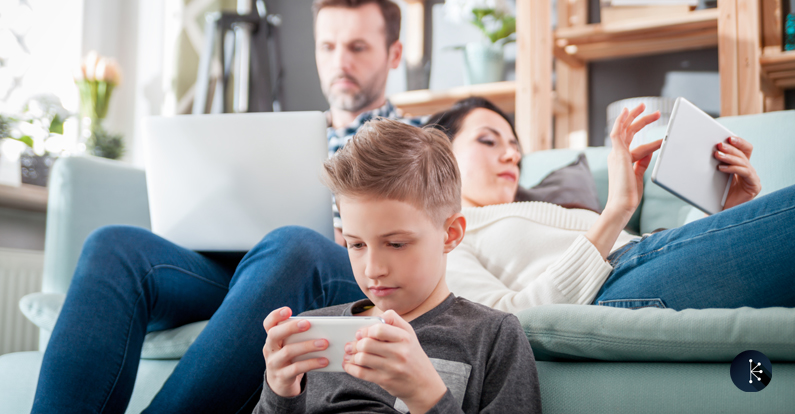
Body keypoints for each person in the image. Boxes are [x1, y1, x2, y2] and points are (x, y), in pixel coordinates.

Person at [32, 1, 419, 413]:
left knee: (294, 245)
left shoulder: (417, 143)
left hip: (334, 268)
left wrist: (355, 236)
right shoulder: (280, 135)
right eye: (327, 46)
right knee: (114, 245)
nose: (340, 61)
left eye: (357, 47)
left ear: (393, 54)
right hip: (253, 269)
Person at [254, 118, 541, 413]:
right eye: (357, 245)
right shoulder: (312, 334)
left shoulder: (492, 336)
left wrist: (426, 396)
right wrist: (280, 394)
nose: (372, 269)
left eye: (396, 244)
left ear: (450, 234)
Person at [425, 97, 794, 312]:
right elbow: (507, 321)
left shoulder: (531, 211)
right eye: (489, 141)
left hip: (641, 260)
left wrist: (730, 209)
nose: (511, 155)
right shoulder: (445, 238)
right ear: (439, 153)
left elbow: (647, 254)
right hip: (611, 287)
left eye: (514, 146)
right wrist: (616, 211)